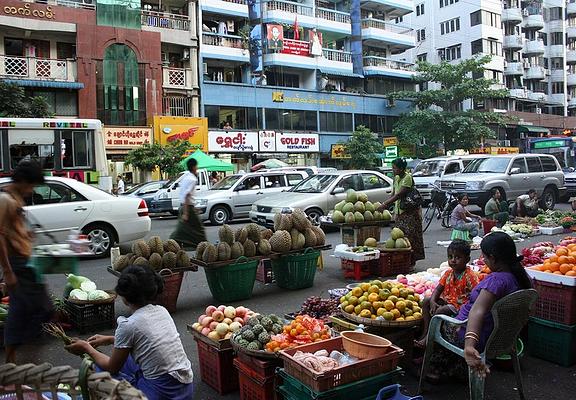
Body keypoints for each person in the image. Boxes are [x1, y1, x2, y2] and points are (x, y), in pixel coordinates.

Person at [65, 265, 194, 399]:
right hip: (184, 389)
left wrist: (86, 348)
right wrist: (110, 339)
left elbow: (111, 367)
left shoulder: (128, 325)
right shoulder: (162, 311)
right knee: (125, 356)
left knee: (99, 369)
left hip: (161, 395)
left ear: (124, 297)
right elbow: (148, 342)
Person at [427, 232, 532, 380]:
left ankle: (438, 369)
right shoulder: (521, 276)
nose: (483, 259)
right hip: (502, 336)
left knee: (439, 321)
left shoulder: (496, 281)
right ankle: (457, 368)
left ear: (493, 258)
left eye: (484, 256)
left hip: (475, 334)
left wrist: (470, 345)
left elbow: (477, 312)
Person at [0, 160, 53, 363]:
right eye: (30, 185)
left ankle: (20, 356)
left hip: (26, 262)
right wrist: (8, 271)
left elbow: (12, 230)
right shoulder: (5, 200)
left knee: (33, 309)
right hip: (17, 265)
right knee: (25, 311)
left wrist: (25, 235)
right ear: (22, 181)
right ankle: (16, 358)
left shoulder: (15, 197)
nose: (31, 191)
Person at [415, 240, 479, 348]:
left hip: (459, 305)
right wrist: (433, 301)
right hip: (448, 301)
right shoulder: (448, 273)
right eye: (450, 257)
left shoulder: (470, 276)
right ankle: (425, 332)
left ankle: (428, 338)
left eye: (458, 258)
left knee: (441, 310)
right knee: (426, 301)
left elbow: (476, 294)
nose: (453, 260)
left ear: (467, 260)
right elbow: (438, 289)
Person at [377, 158, 425, 263]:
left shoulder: (407, 177)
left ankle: (411, 260)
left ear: (402, 168)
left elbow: (399, 194)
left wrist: (385, 204)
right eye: (392, 168)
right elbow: (393, 194)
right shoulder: (396, 178)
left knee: (410, 237)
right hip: (400, 212)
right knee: (399, 237)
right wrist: (388, 206)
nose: (393, 170)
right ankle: (403, 260)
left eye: (395, 168)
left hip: (409, 212)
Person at [169, 158, 206, 250]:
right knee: (199, 229)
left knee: (183, 229)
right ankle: (205, 247)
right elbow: (186, 195)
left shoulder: (186, 177)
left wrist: (193, 208)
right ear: (193, 167)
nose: (197, 168)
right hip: (187, 208)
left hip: (184, 206)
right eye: (196, 166)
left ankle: (173, 244)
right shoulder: (192, 179)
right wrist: (186, 213)